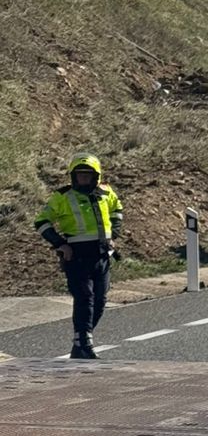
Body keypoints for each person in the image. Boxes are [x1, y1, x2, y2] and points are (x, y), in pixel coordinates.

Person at [34, 153, 124, 359]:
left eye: (87, 176)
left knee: (100, 300)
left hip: (101, 254)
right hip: (76, 255)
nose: (83, 179)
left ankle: (81, 342)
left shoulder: (106, 192)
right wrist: (60, 244)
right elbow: (41, 222)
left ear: (96, 177)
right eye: (79, 175)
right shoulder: (63, 197)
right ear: (73, 177)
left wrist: (114, 234)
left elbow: (117, 210)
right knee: (85, 298)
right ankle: (84, 345)